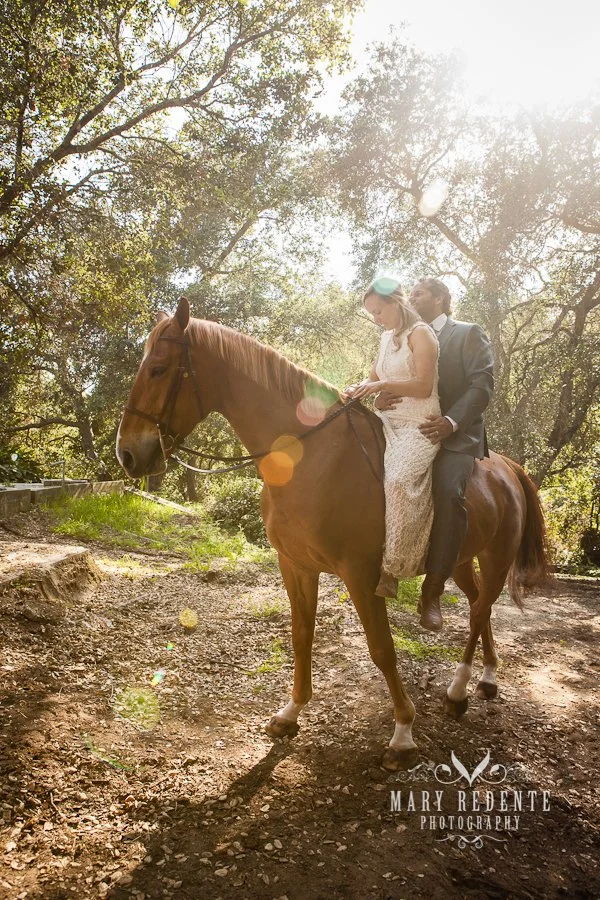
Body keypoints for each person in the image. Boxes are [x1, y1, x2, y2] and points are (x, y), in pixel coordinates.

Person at [376, 278, 494, 631]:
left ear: (441, 298)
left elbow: (482, 384)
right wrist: (380, 398)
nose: (410, 298)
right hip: (406, 426)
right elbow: (389, 378)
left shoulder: (468, 333)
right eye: (409, 294)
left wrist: (451, 421)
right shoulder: (401, 335)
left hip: (454, 434)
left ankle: (432, 591)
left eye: (418, 294)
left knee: (447, 492)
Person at [344, 277, 441, 592]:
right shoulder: (386, 338)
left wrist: (381, 387)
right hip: (387, 420)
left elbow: (424, 386)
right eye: (371, 314)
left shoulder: (422, 334)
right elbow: (373, 379)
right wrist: (358, 391)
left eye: (378, 311)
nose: (376, 319)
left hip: (420, 423)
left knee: (398, 480)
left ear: (396, 303)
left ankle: (394, 568)